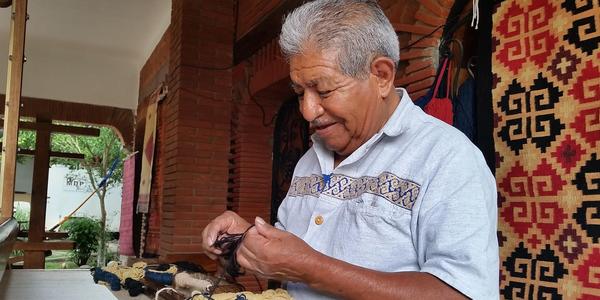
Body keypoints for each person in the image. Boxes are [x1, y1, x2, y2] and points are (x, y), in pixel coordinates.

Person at [202, 0, 499, 299]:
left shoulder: (447, 158)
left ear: (381, 75)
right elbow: (290, 251)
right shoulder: (310, 160)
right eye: (299, 93)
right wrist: (246, 239)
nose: (307, 110)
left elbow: (462, 293)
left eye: (325, 90)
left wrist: (310, 268)